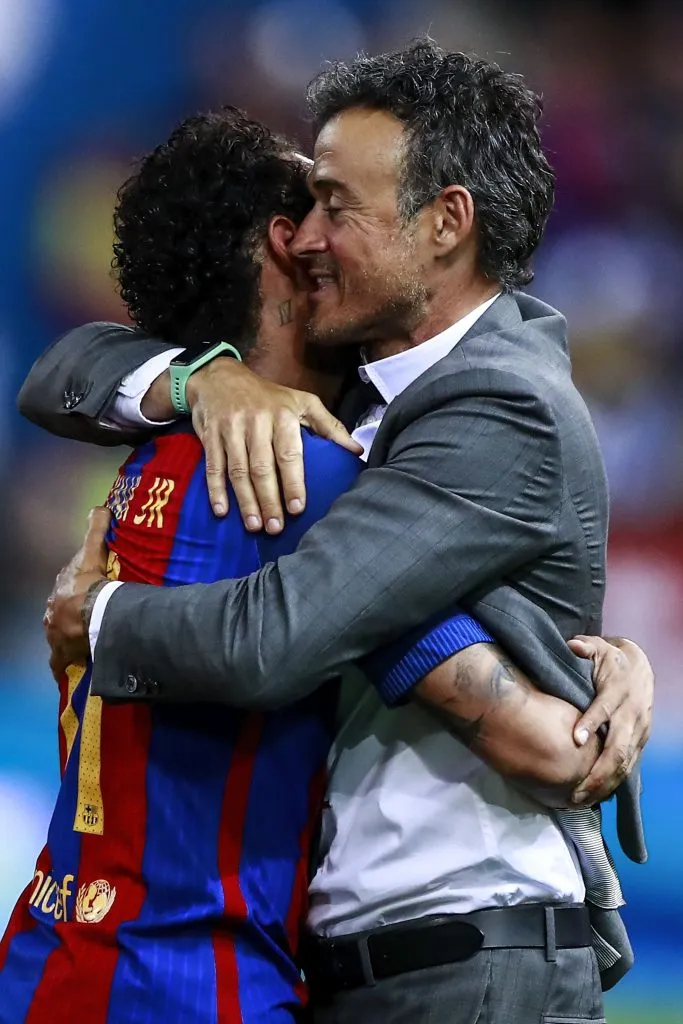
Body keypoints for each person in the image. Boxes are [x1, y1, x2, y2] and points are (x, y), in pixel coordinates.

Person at [21, 43, 653, 1023]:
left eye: (335, 207)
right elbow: (62, 372)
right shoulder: (313, 448)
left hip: (434, 955)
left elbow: (299, 626)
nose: (311, 237)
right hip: (243, 969)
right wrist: (207, 376)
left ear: (446, 222)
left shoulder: (470, 413)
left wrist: (99, 615)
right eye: (298, 216)